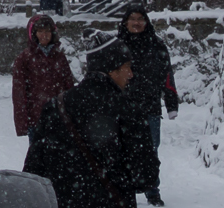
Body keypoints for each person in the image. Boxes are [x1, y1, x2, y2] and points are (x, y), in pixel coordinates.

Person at [21, 40, 159, 208]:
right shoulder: (128, 109)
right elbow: (146, 176)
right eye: (127, 67)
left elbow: (33, 172)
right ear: (111, 68)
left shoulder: (56, 106)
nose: (131, 74)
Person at [117, 10, 180, 206]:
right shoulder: (116, 45)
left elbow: (167, 76)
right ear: (125, 22)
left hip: (149, 107)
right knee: (120, 150)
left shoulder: (156, 45)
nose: (136, 23)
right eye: (132, 19)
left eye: (140, 19)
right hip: (121, 107)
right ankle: (121, 189)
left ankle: (152, 191)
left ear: (146, 22)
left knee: (150, 152)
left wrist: (171, 103)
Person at [11, 14, 76, 137]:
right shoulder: (24, 58)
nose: (44, 35)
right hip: (36, 119)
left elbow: (69, 87)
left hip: (59, 117)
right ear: (33, 34)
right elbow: (19, 92)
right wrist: (22, 122)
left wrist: (71, 115)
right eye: (40, 31)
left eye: (47, 31)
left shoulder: (59, 57)